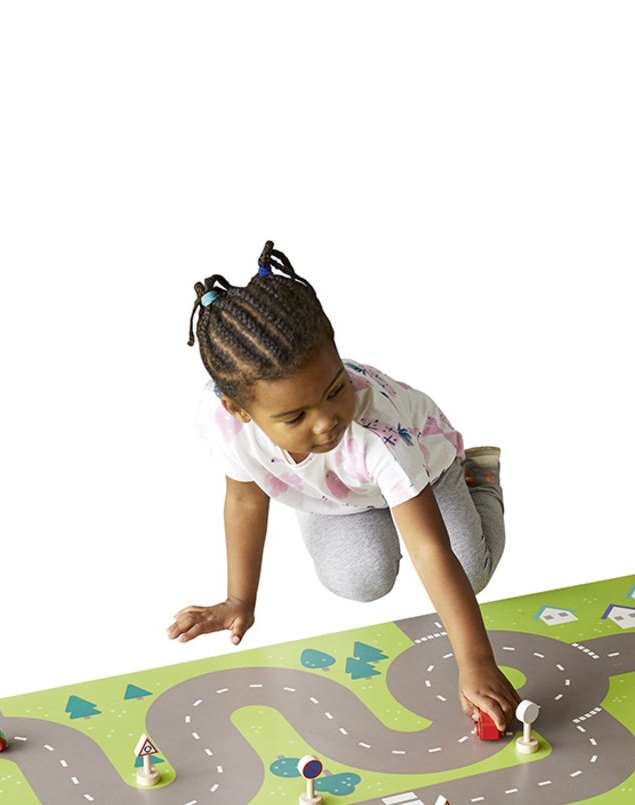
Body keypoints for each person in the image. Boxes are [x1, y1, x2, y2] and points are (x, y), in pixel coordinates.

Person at [169, 242, 517, 735]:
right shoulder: (223, 421)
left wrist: (475, 662)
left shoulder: (379, 433)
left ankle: (478, 478)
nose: (328, 420)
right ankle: (351, 497)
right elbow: (245, 498)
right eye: (295, 417)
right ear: (239, 409)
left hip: (425, 469)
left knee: (469, 570)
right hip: (335, 494)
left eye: (336, 389)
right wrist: (239, 600)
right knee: (360, 580)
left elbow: (428, 547)